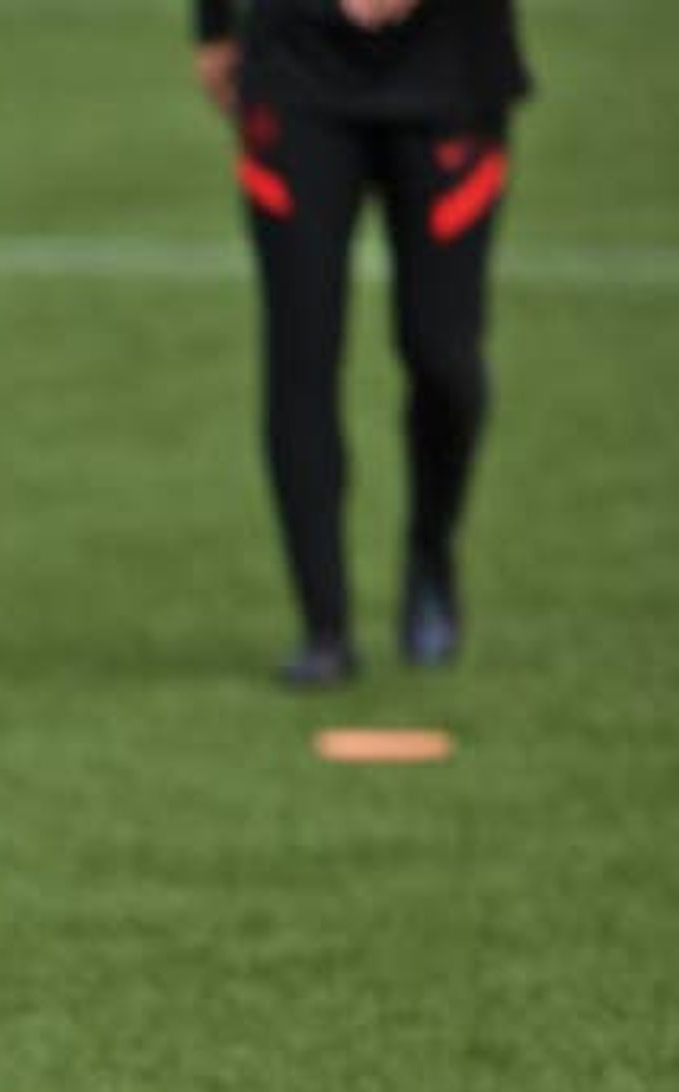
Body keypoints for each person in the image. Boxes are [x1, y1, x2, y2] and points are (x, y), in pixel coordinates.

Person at [192, 0, 529, 687]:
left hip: (451, 73)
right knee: (301, 350)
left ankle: (430, 549)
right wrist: (214, 27)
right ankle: (324, 626)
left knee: (444, 357)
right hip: (296, 67)